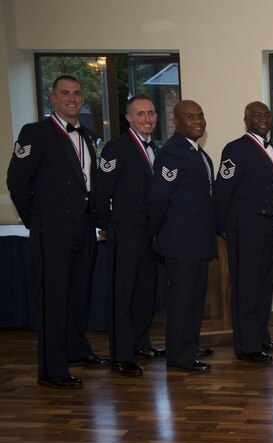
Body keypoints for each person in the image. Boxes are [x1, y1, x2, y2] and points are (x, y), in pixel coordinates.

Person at [7, 74, 109, 389]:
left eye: (77, 93)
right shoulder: (35, 133)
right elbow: (16, 182)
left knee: (79, 292)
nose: (72, 98)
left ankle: (77, 349)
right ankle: (51, 369)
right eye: (65, 93)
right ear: (53, 98)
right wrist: (36, 220)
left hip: (83, 225)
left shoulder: (89, 135)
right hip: (51, 227)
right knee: (53, 298)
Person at [92, 93, 162, 377]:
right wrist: (109, 225)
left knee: (145, 291)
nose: (147, 119)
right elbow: (100, 193)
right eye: (141, 114)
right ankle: (121, 354)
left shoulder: (155, 149)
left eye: (151, 113)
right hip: (125, 232)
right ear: (129, 118)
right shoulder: (115, 148)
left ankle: (139, 342)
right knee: (123, 295)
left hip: (149, 233)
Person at [214, 101, 273, 364]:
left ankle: (260, 335)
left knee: (264, 284)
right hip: (245, 226)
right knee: (246, 286)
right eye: (257, 115)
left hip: (267, 224)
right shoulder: (235, 149)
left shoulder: (272, 148)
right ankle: (247, 346)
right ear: (246, 119)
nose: (263, 118)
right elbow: (222, 190)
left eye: (267, 114)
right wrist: (222, 228)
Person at [147, 100, 216, 372]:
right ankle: (179, 356)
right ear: (177, 122)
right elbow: (158, 199)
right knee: (182, 301)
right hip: (181, 242)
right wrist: (157, 232)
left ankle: (188, 345)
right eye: (190, 117)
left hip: (197, 241)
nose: (198, 120)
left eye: (200, 115)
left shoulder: (195, 151)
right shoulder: (173, 153)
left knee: (194, 299)